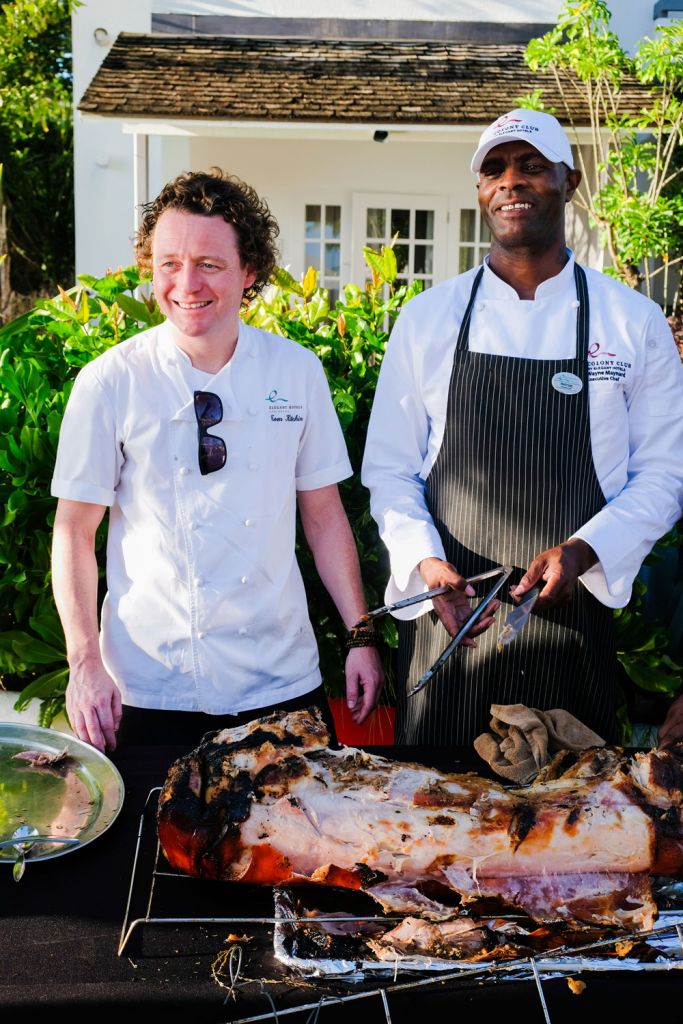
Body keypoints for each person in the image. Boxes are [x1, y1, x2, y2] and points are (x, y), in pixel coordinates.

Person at [361, 109, 683, 747]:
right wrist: (427, 565)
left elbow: (665, 474)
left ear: (571, 179)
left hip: (573, 631)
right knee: (432, 826)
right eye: (495, 170)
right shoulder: (426, 321)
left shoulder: (633, 323)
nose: (512, 182)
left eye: (532, 166)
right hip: (451, 628)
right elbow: (391, 471)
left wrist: (587, 549)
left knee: (570, 828)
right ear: (480, 191)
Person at [51, 169, 383, 753]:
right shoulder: (110, 382)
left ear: (249, 272)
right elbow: (74, 530)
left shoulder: (295, 372)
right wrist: (84, 661)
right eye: (169, 263)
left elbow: (325, 515)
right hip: (149, 689)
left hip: (280, 683)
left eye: (209, 264)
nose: (186, 283)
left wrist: (361, 634)